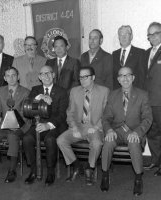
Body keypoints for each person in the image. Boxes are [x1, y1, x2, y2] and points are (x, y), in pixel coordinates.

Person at [100, 67, 152, 196]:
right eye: (122, 76)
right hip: (116, 131)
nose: (125, 78)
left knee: (134, 143)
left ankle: (139, 178)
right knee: (108, 142)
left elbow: (147, 118)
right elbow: (106, 118)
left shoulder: (142, 94)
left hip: (134, 131)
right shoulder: (112, 95)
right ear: (118, 79)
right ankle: (105, 175)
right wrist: (109, 130)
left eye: (128, 75)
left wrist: (138, 132)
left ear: (133, 78)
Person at [57, 66, 109, 186]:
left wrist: (96, 127)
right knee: (61, 140)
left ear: (93, 77)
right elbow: (70, 112)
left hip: (95, 127)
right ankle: (77, 165)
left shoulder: (104, 91)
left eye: (85, 77)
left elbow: (107, 115)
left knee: (97, 143)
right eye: (80, 77)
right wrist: (74, 127)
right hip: (78, 126)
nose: (82, 80)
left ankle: (89, 169)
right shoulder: (75, 91)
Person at [23, 65, 68, 186]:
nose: (46, 76)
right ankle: (33, 170)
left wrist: (48, 125)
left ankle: (50, 172)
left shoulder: (62, 91)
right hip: (38, 124)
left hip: (55, 125)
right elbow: (28, 109)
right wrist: (40, 97)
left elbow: (62, 115)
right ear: (39, 77)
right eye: (43, 74)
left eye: (49, 73)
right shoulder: (35, 90)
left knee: (50, 139)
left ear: (53, 75)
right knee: (27, 138)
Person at [0, 67, 30, 183]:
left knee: (13, 137)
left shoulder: (26, 92)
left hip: (20, 126)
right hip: (3, 126)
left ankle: (12, 171)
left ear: (18, 77)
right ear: (4, 78)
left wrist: (18, 125)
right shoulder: (0, 91)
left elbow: (27, 114)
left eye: (14, 75)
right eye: (8, 76)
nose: (11, 78)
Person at [144, 22, 161, 175]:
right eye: (150, 34)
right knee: (152, 132)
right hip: (148, 101)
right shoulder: (147, 52)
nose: (152, 36)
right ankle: (156, 161)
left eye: (156, 33)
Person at [112, 25, 145, 90]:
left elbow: (142, 76)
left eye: (126, 34)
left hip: (135, 92)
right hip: (118, 92)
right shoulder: (114, 54)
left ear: (131, 36)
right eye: (121, 34)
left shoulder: (140, 53)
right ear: (119, 37)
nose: (124, 37)